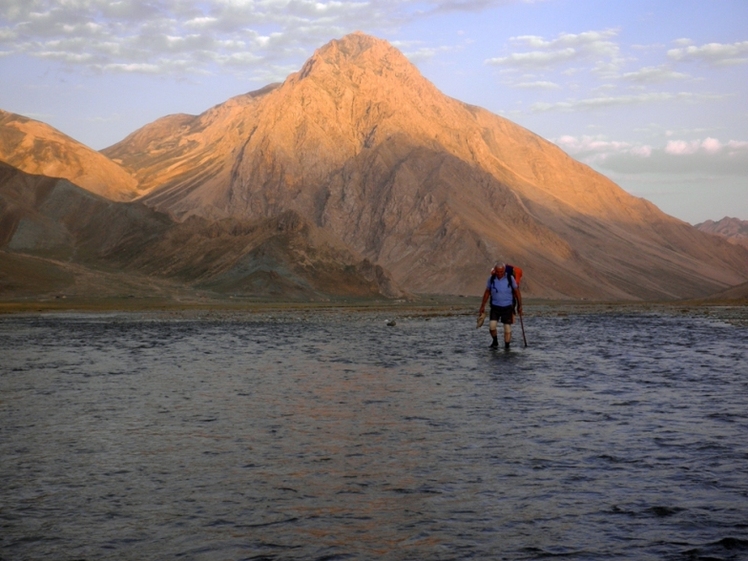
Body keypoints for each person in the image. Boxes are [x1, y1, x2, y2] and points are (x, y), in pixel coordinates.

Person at [478, 262, 522, 349]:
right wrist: (482, 305)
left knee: (507, 328)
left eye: (501, 272)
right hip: (495, 307)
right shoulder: (491, 279)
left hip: (507, 307)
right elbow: (487, 292)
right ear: (495, 271)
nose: (499, 273)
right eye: (497, 272)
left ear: (504, 270)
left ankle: (507, 347)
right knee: (492, 326)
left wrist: (519, 305)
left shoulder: (510, 278)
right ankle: (495, 341)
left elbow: (516, 291)